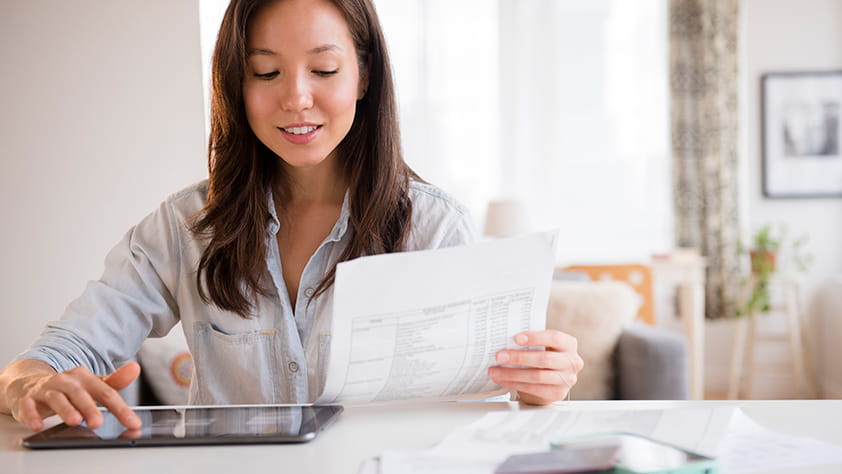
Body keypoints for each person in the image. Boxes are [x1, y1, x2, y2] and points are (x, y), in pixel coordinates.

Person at [0, 0, 583, 432]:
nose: (296, 98)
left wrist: (535, 387)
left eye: (324, 71)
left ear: (364, 76)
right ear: (236, 82)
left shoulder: (433, 227)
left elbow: (475, 408)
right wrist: (33, 383)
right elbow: (48, 358)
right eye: (266, 72)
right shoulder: (186, 226)